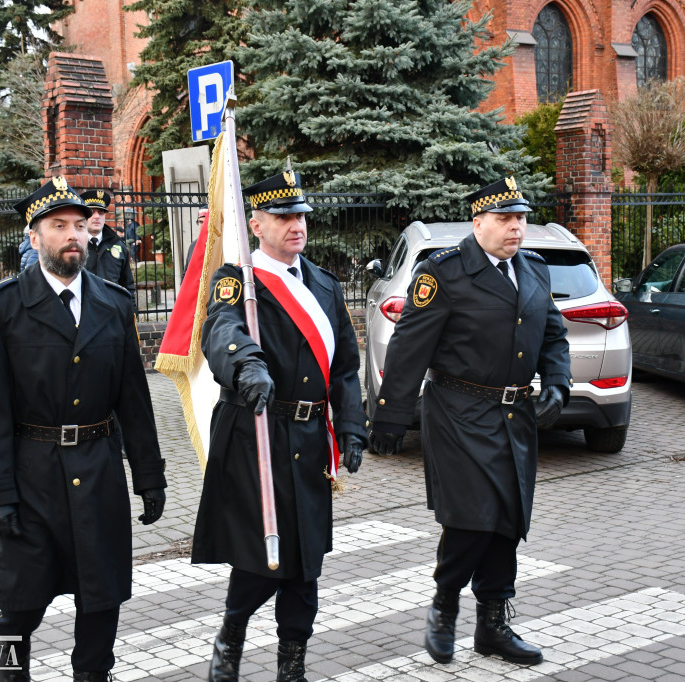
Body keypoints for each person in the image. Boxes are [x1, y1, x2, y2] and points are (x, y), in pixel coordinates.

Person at [0, 176, 168, 682]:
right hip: (31, 476)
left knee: (101, 601)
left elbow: (133, 400)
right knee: (20, 606)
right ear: (34, 238)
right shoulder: (3, 306)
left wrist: (149, 475)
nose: (72, 235)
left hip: (99, 471)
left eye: (79, 225)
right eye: (58, 226)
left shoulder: (114, 303)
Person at [368, 176, 572, 667]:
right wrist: (389, 420)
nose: (516, 228)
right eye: (505, 219)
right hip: (458, 412)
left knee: (507, 518)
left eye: (521, 218)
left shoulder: (535, 271)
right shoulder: (444, 274)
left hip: (514, 414)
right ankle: (444, 605)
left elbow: (553, 337)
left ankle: (493, 624)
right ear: (477, 221)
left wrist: (559, 385)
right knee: (472, 518)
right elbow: (408, 349)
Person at [194, 169, 366, 682]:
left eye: (301, 216)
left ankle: (292, 661)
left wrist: (352, 428)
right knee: (261, 552)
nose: (297, 226)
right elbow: (219, 328)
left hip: (311, 438)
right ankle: (231, 635)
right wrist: (246, 363)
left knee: (306, 557)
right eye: (284, 216)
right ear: (257, 224)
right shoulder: (238, 282)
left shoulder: (325, 285)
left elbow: (346, 369)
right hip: (256, 433)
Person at [80, 189, 135, 295]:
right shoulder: (75, 246)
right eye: (92, 212)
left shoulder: (118, 245)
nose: (97, 216)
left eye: (101, 213)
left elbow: (128, 286)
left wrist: (131, 311)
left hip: (113, 309)